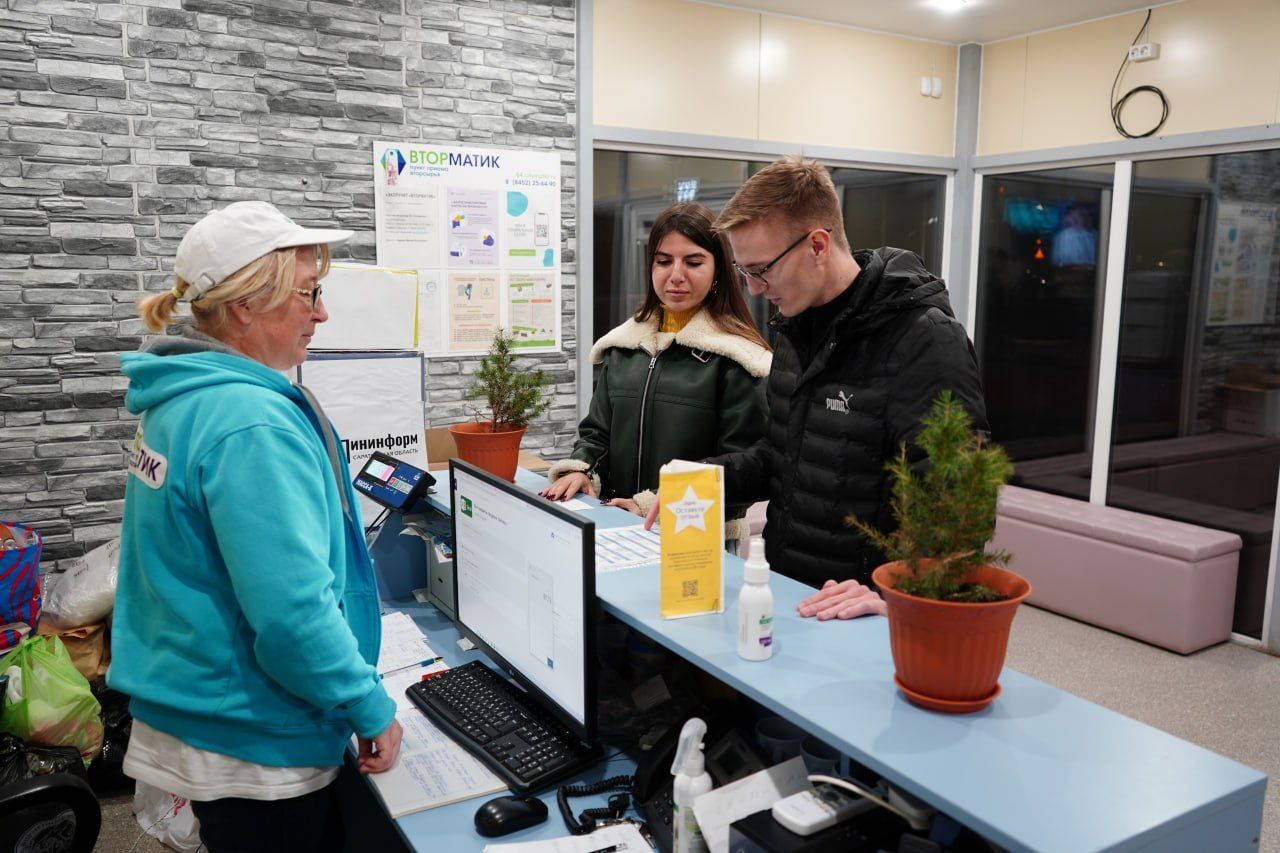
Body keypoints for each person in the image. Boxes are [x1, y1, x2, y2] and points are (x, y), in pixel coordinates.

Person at [109, 201, 402, 853]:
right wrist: (368, 704)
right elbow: (293, 615)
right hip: (253, 742)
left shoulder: (181, 396)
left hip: (198, 704)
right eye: (309, 293)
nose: (321, 313)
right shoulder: (249, 423)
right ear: (245, 306)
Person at [646, 157, 989, 620]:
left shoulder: (923, 338)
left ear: (818, 245)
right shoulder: (795, 329)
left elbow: (959, 501)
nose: (753, 288)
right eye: (744, 271)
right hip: (792, 596)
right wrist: (704, 479)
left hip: (865, 614)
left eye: (762, 269)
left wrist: (898, 594)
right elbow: (782, 457)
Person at [541, 203, 771, 544]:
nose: (676, 275)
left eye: (693, 262)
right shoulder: (624, 346)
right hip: (616, 525)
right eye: (663, 261)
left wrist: (652, 504)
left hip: (696, 539)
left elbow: (746, 469)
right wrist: (583, 471)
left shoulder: (738, 359)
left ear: (718, 270)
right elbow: (597, 435)